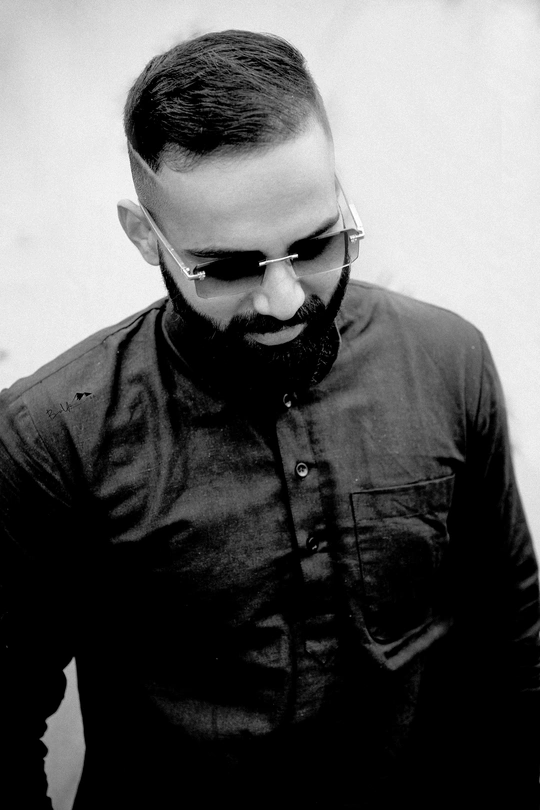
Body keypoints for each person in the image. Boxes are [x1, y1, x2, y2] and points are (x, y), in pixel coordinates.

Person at [1, 29, 539, 810]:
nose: (284, 300)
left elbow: (513, 643)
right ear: (145, 236)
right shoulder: (50, 438)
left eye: (316, 246)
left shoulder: (447, 360)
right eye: (228, 268)